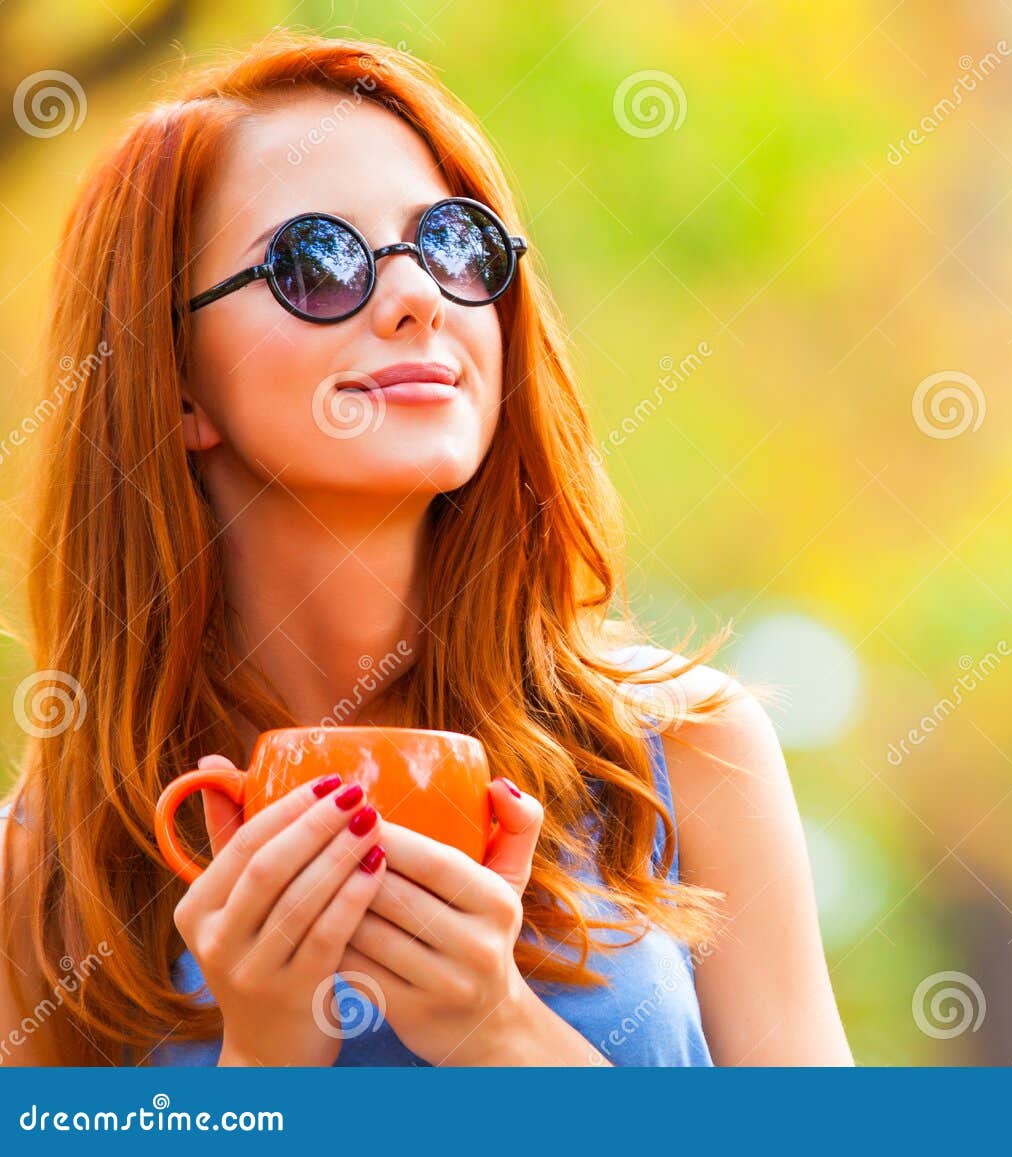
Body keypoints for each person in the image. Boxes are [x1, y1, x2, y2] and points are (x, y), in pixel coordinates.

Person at [0, 31, 852, 1067]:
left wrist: (497, 1030)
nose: (420, 298)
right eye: (316, 262)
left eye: (453, 244)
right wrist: (268, 1060)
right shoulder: (48, 863)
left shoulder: (685, 753)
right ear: (174, 382)